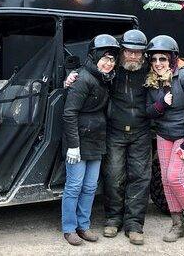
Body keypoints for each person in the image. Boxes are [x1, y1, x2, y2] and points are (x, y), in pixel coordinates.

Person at [64, 29, 152, 245]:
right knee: (113, 177)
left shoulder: (149, 71)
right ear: (122, 51)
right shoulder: (111, 72)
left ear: (143, 54)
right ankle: (112, 220)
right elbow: (89, 71)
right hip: (114, 132)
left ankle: (134, 225)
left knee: (139, 178)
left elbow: (171, 67)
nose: (133, 56)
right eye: (129, 51)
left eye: (137, 52)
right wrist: (69, 77)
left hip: (141, 132)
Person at [144, 35, 184, 244]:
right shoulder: (151, 81)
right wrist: (161, 104)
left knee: (174, 177)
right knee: (165, 180)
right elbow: (148, 111)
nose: (158, 63)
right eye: (154, 59)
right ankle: (176, 224)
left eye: (163, 58)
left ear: (172, 58)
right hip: (164, 133)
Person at [62, 34, 119, 246]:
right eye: (105, 58)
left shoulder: (106, 79)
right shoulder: (83, 79)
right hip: (78, 141)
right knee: (74, 186)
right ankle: (69, 229)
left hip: (96, 140)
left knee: (89, 187)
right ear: (94, 57)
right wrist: (73, 146)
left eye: (112, 59)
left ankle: (83, 226)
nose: (108, 63)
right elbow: (69, 114)